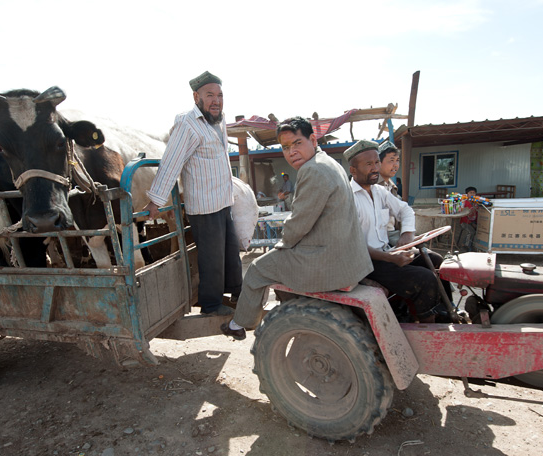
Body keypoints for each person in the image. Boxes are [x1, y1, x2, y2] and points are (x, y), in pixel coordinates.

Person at [221, 117, 373, 340]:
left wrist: (282, 245)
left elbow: (298, 225)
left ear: (312, 139)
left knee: (256, 268)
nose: (291, 152)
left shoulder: (313, 170)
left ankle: (240, 323)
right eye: (285, 147)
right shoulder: (328, 163)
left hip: (326, 260)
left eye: (297, 143)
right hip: (344, 256)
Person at [144, 71, 241, 316]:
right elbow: (171, 163)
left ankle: (231, 294)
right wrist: (156, 200)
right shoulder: (188, 124)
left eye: (219, 95)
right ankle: (210, 306)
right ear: (196, 97)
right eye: (210, 95)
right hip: (204, 206)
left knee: (230, 253)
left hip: (222, 201)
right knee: (211, 260)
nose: (216, 100)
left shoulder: (218, 121)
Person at [346, 140, 451, 323]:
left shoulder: (379, 191)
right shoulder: (348, 198)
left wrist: (407, 234)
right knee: (424, 279)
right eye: (368, 164)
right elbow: (354, 246)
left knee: (436, 261)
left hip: (387, 253)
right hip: (367, 263)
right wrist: (391, 258)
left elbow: (405, 210)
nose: (375, 168)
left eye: (377, 162)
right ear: (353, 170)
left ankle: (446, 314)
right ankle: (428, 331)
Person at [377, 140, 401, 245]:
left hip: (394, 234)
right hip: (382, 238)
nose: (395, 165)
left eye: (397, 160)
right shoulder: (373, 187)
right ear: (379, 163)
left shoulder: (392, 188)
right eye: (391, 160)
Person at [459, 186, 479, 252]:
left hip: (474, 221)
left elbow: (477, 214)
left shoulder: (476, 203)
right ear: (467, 194)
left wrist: (476, 223)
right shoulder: (464, 203)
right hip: (465, 222)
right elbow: (463, 216)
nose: (472, 194)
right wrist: (471, 223)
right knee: (471, 231)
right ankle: (466, 246)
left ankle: (473, 245)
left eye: (474, 193)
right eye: (471, 193)